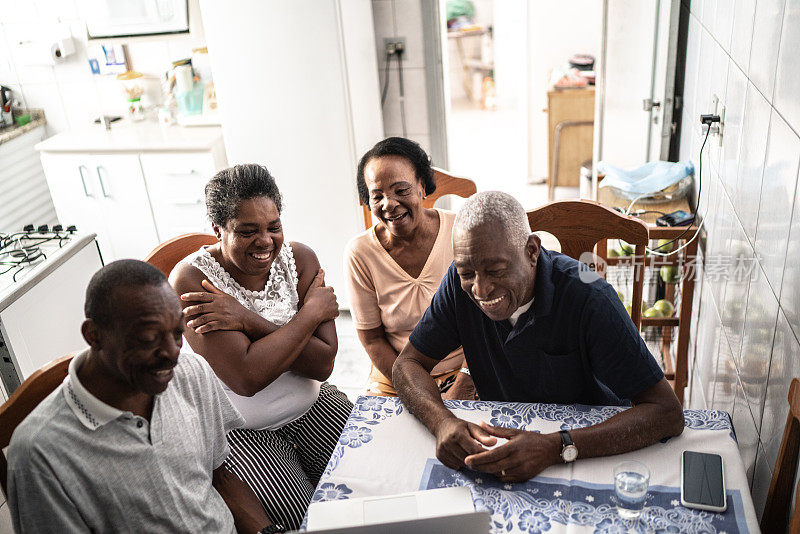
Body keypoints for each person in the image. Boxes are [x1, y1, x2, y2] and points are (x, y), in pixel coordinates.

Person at [393, 191, 685, 482]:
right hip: (506, 448)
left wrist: (555, 448)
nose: (480, 290)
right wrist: (441, 421)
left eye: (495, 270)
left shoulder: (590, 298)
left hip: (590, 450)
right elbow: (407, 364)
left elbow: (666, 413)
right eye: (467, 273)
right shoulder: (458, 287)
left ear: (532, 251)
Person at [7, 260, 276, 534]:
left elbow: (220, 478)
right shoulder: (40, 453)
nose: (172, 353)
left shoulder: (191, 373)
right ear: (93, 336)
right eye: (149, 339)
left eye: (178, 333)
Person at [171, 164, 353, 530]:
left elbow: (323, 364)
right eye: (247, 231)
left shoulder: (301, 260)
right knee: (303, 518)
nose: (266, 241)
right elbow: (247, 377)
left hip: (314, 402)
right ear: (218, 230)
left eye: (274, 227)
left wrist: (246, 319)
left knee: (373, 479)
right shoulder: (193, 280)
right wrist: (309, 316)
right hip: (242, 431)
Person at [344, 137, 473, 398]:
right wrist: (414, 387)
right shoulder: (360, 253)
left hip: (466, 369)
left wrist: (465, 380)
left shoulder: (461, 231)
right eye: (377, 195)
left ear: (422, 187)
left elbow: (486, 320)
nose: (388, 204)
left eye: (401, 191)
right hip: (396, 371)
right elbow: (372, 339)